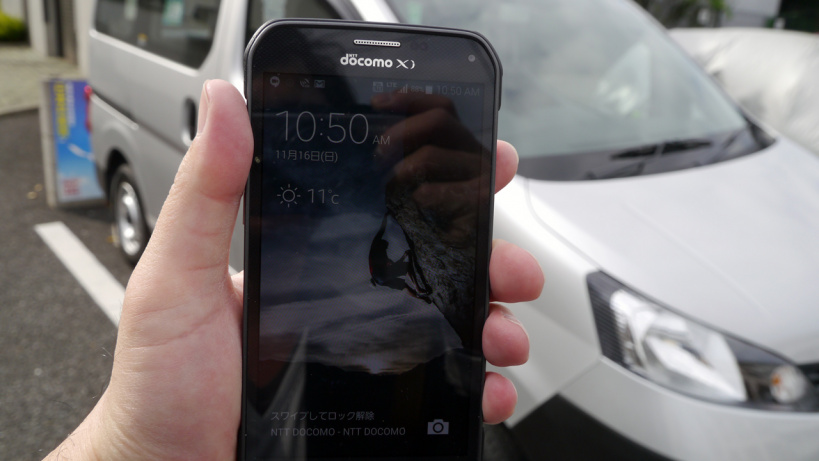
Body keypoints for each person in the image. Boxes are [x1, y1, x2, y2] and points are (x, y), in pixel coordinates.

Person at [44, 80, 544, 460]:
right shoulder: (306, 340)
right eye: (283, 130)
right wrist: (116, 447)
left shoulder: (384, 336)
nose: (295, 176)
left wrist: (449, 278)